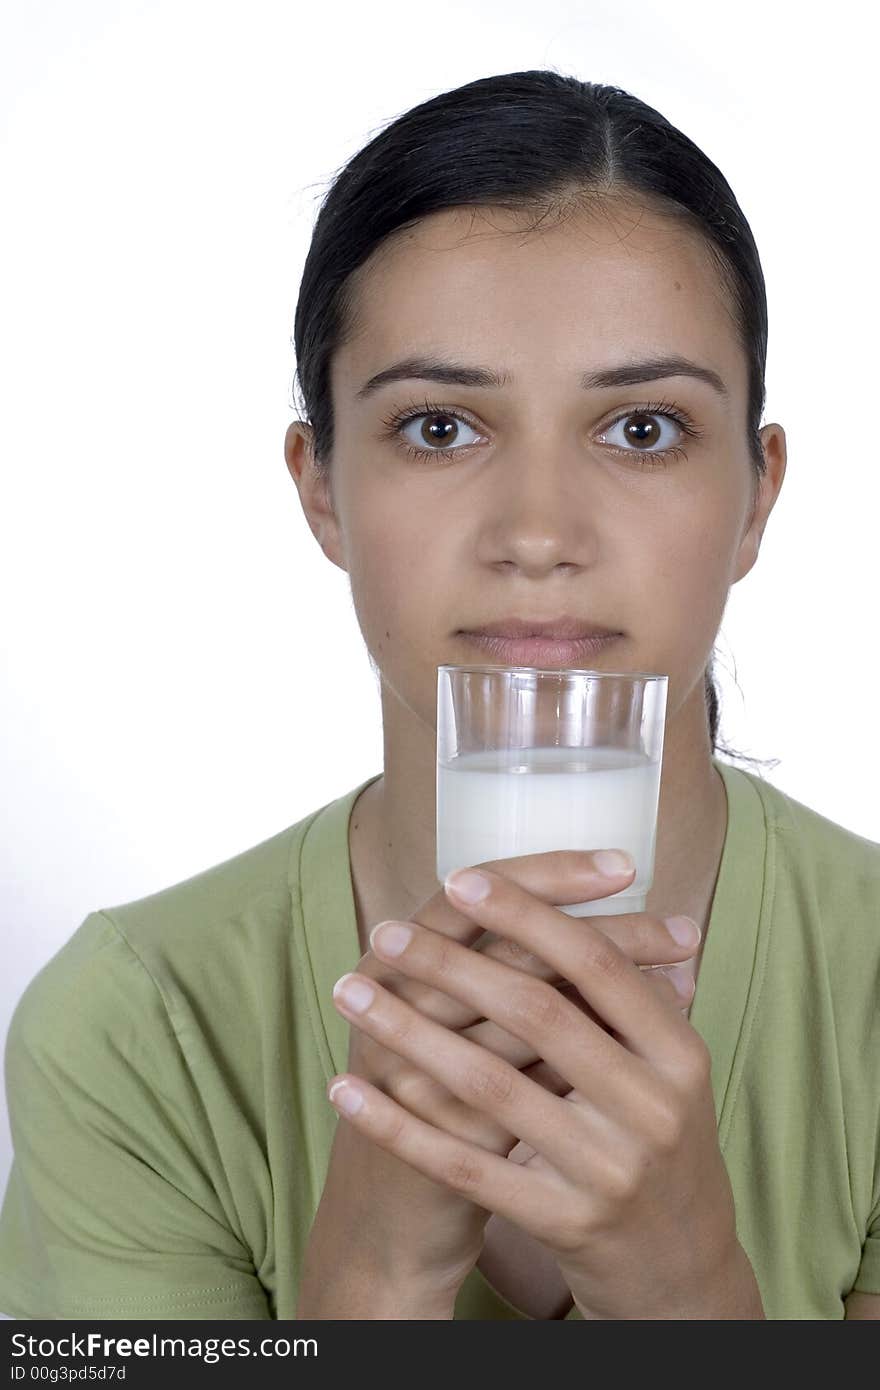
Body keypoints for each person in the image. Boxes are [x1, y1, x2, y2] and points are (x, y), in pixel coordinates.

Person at [0, 68, 877, 1322]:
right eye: (437, 428)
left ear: (756, 494)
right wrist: (371, 1273)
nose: (537, 531)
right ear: (320, 487)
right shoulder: (138, 1028)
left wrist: (685, 1287)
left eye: (640, 429)